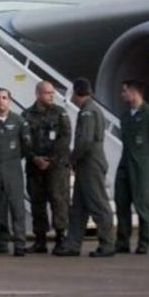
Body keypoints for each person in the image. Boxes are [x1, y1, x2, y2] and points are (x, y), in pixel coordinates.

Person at [60, 78, 115, 257]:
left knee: (99, 205)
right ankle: (72, 244)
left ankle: (107, 245)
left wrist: (72, 159)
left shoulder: (88, 113)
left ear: (77, 93)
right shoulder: (90, 110)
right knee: (78, 208)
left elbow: (85, 141)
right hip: (87, 164)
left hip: (90, 163)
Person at [116, 79, 149, 255]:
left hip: (142, 166)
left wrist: (147, 158)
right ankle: (122, 242)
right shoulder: (125, 116)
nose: (122, 94)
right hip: (125, 164)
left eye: (125, 91)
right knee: (121, 202)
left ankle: (144, 243)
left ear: (134, 92)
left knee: (141, 205)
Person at [22, 81, 72, 255]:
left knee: (59, 201)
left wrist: (50, 160)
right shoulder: (27, 115)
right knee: (37, 203)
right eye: (47, 93)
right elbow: (24, 141)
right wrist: (34, 158)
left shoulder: (60, 114)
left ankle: (60, 238)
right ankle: (40, 240)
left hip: (56, 167)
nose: (52, 95)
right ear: (38, 94)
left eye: (52, 93)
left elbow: (65, 139)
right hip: (35, 167)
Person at [0, 89, 32, 256]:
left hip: (13, 168)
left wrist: (14, 157)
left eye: (4, 98)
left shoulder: (19, 121)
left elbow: (26, 146)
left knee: (17, 207)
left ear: (10, 100)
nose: (1, 101)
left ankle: (19, 244)